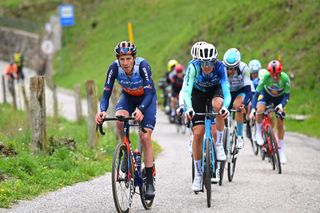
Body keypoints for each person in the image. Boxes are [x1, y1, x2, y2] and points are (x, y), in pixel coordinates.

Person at [95, 41, 157, 199]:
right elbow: (106, 92)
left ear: (134, 58)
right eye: (122, 59)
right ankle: (125, 150)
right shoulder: (114, 68)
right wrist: (102, 111)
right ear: (118, 59)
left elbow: (149, 93)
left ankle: (149, 181)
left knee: (145, 137)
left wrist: (141, 109)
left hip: (146, 100)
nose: (125, 63)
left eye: (128, 58)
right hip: (128, 97)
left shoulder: (143, 65)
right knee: (120, 119)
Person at [182, 42, 231, 191]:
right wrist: (189, 108)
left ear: (214, 60)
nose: (207, 66)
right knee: (198, 133)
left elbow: (227, 93)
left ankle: (219, 145)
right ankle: (198, 174)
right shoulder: (193, 67)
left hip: (215, 91)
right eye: (204, 63)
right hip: (198, 94)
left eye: (210, 62)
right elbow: (186, 91)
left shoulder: (220, 67)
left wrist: (225, 108)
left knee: (218, 106)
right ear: (199, 61)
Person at [250, 60, 291, 164]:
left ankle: (281, 150)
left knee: (280, 123)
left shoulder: (285, 78)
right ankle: (258, 131)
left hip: (279, 99)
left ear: (280, 72)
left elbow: (287, 95)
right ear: (269, 73)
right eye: (273, 74)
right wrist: (253, 108)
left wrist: (281, 105)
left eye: (277, 74)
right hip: (266, 95)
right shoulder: (265, 77)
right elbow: (257, 94)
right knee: (260, 109)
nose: (275, 77)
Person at [223, 48, 252, 149]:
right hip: (226, 92)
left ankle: (239, 136)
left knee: (238, 106)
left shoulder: (245, 69)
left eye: (233, 68)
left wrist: (245, 104)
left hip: (240, 91)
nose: (230, 71)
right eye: (228, 68)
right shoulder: (221, 68)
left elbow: (249, 90)